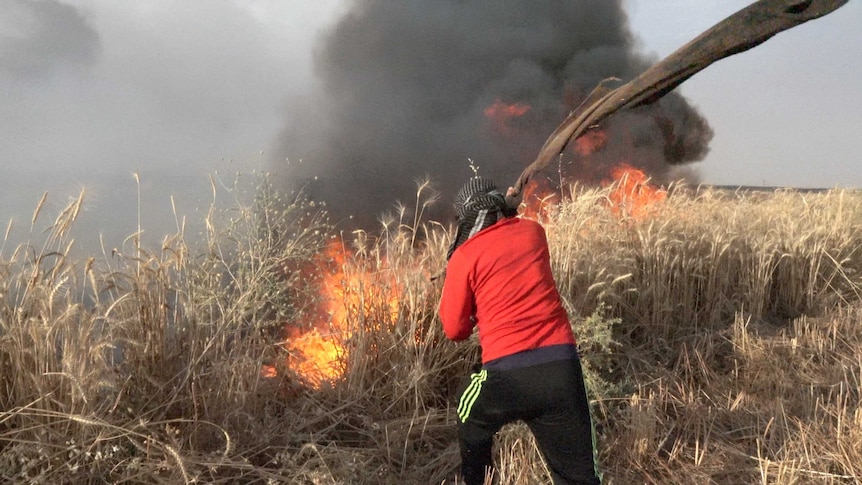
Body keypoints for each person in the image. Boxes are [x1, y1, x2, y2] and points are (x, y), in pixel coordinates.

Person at [438, 176, 601, 485]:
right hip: (561, 369)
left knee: (467, 410)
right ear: (499, 204)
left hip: (507, 373)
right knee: (580, 477)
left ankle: (478, 481)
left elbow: (454, 330)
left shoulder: (464, 256)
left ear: (468, 216)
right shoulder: (533, 233)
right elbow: (511, 225)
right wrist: (509, 206)